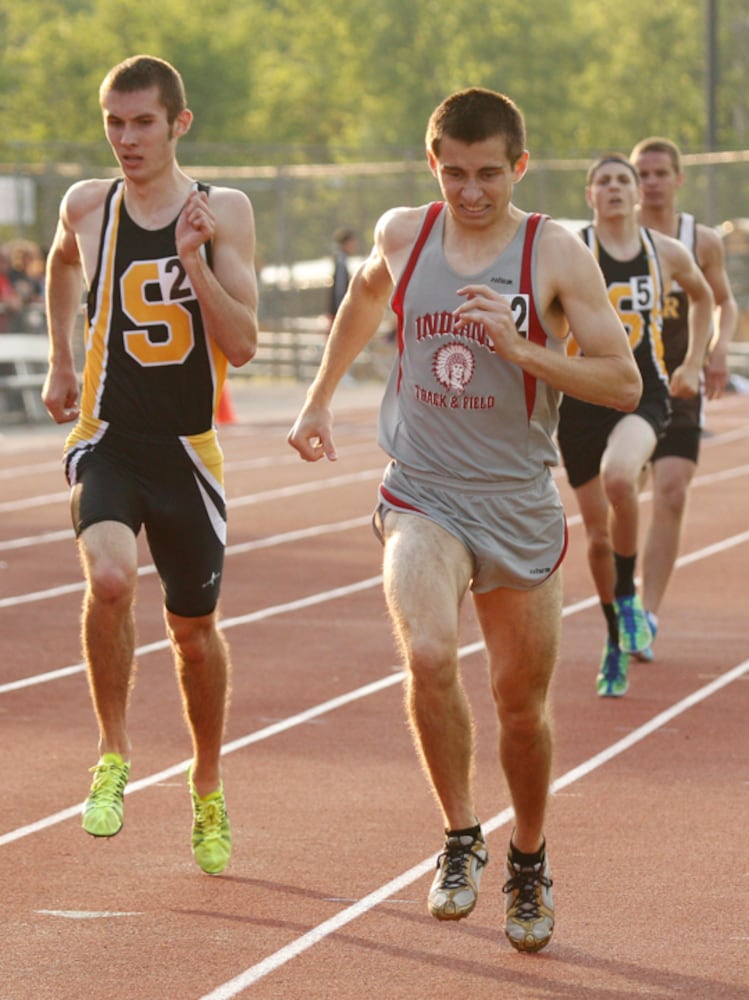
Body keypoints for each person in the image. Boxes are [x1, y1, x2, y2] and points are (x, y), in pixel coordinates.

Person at [288, 88, 642, 953]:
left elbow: (623, 382)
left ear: (518, 167)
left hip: (517, 501)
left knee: (519, 708)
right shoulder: (404, 234)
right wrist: (319, 398)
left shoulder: (552, 251)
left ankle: (526, 855)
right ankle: (458, 836)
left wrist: (522, 350)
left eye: (488, 173)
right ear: (431, 164)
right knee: (429, 651)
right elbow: (365, 301)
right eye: (454, 173)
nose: (471, 190)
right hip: (424, 489)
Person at [41, 55, 258, 874]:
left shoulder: (222, 211)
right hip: (107, 435)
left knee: (193, 637)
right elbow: (65, 261)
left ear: (179, 124)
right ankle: (112, 754)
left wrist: (194, 262)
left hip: (187, 454)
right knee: (107, 579)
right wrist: (64, 361)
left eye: (141, 123)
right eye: (113, 123)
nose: (126, 140)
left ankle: (206, 785)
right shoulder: (87, 205)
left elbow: (242, 342)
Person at [557, 154, 714, 697]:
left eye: (624, 180)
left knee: (621, 477)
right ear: (590, 195)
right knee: (598, 539)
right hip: (579, 400)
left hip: (643, 393)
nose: (618, 188)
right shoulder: (570, 251)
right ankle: (613, 632)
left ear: (636, 193)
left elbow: (704, 297)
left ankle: (629, 603)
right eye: (605, 181)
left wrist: (693, 361)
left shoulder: (664, 252)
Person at [630, 137, 738, 659]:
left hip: (679, 382)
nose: (650, 182)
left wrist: (713, 352)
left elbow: (724, 304)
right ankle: (622, 598)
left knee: (671, 489)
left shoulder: (701, 240)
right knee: (619, 496)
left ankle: (646, 614)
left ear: (677, 178)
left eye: (658, 172)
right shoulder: (610, 238)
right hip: (622, 384)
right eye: (641, 173)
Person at [327, 227, 357, 329]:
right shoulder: (340, 261)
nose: (353, 245)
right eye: (351, 241)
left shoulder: (340, 259)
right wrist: (343, 308)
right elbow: (340, 289)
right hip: (338, 311)